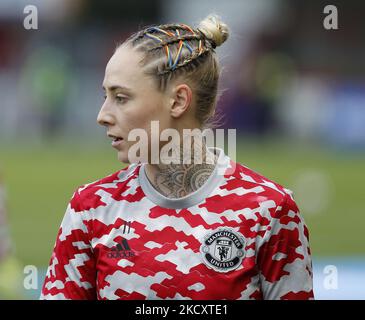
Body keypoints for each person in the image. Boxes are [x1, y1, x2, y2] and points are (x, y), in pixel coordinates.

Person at [40, 14, 313, 300]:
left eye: (121, 98)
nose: (102, 116)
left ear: (178, 101)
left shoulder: (269, 211)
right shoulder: (90, 209)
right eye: (105, 96)